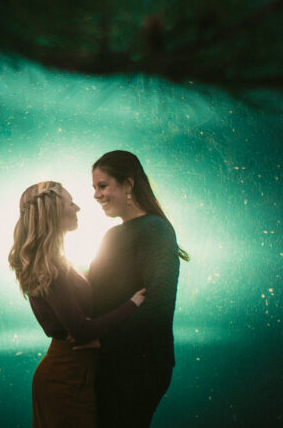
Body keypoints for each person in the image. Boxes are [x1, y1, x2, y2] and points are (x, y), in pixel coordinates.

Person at [9, 181, 146, 428]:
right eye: (70, 203)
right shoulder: (51, 268)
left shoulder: (58, 262)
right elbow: (81, 331)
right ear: (53, 212)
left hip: (73, 373)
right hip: (66, 377)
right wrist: (133, 304)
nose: (78, 208)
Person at [88, 150, 189, 428]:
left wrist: (101, 340)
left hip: (139, 366)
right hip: (111, 363)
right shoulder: (112, 235)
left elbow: (159, 305)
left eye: (103, 186)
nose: (96, 195)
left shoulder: (156, 230)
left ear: (129, 184)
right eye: (94, 188)